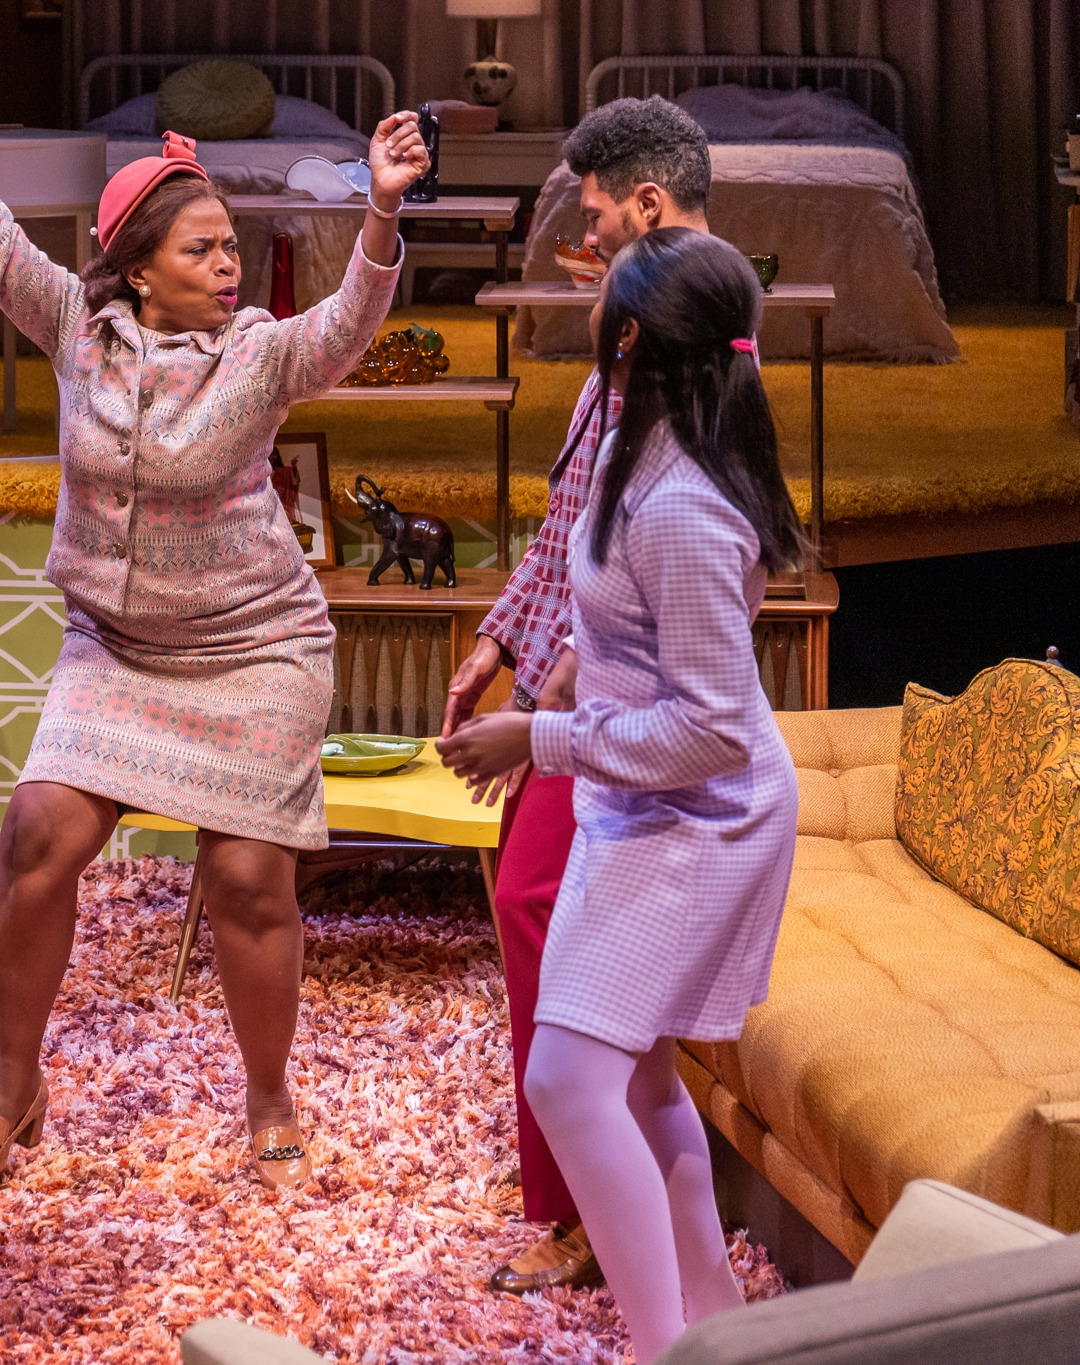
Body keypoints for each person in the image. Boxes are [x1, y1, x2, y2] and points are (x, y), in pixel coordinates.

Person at [0, 26, 427, 1191]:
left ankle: (269, 1096)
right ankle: (13, 1084)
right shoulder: (77, 327)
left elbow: (348, 326)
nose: (230, 265)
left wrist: (378, 215)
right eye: (204, 249)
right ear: (136, 267)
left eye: (232, 246)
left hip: (254, 646)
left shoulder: (263, 354)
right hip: (113, 649)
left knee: (241, 879)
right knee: (37, 837)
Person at [442, 227, 805, 1360]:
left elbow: (706, 729)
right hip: (637, 805)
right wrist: (556, 661)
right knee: (634, 1078)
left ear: (633, 335)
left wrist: (537, 738)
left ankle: (665, 1347)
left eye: (602, 296)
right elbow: (600, 593)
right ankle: (714, 1326)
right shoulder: (625, 445)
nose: (585, 303)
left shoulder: (688, 509)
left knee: (566, 1076)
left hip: (703, 822)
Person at [436, 94, 713, 1295]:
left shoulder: (690, 338)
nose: (583, 232)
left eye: (595, 212)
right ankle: (595, 1202)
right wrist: (499, 640)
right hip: (570, 689)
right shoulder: (631, 328)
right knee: (529, 902)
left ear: (646, 204)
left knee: (540, 904)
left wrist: (555, 707)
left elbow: (656, 557)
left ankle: (589, 1215)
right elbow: (567, 517)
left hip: (619, 707)